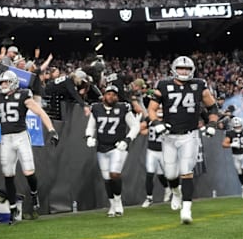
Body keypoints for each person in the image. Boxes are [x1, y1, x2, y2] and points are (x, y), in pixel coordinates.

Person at [0, 70, 58, 223]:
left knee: (28, 172)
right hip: (6, 139)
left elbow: (40, 112)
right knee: (8, 175)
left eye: (6, 82)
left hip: (21, 136)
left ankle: (34, 193)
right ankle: (11, 209)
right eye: (2, 82)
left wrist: (52, 130)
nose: (3, 85)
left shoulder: (23, 95)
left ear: (14, 83)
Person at [147, 55, 220, 224]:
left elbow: (213, 106)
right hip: (169, 135)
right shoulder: (163, 85)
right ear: (174, 69)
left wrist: (212, 124)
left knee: (186, 171)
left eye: (187, 69)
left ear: (192, 70)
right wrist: (157, 122)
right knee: (170, 174)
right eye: (181, 68)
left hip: (190, 134)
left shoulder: (199, 85)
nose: (184, 71)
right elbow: (152, 109)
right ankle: (176, 192)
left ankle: (186, 210)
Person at [85, 85, 140, 217]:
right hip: (102, 147)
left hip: (118, 146)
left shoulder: (123, 108)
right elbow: (91, 126)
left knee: (114, 174)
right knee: (106, 178)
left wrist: (127, 140)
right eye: (109, 94)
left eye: (114, 94)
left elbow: (135, 126)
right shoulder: (96, 108)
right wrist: (88, 137)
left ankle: (118, 201)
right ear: (104, 95)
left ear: (117, 96)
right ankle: (112, 205)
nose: (111, 96)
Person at [139, 108, 171, 208]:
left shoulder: (168, 120)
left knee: (165, 174)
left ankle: (170, 189)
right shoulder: (151, 120)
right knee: (149, 174)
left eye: (162, 108)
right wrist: (148, 128)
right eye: (158, 109)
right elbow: (142, 131)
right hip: (151, 150)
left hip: (163, 151)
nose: (160, 111)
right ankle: (149, 198)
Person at [221, 117, 243, 199]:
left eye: (239, 125)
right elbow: (224, 144)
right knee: (239, 172)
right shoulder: (230, 133)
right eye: (236, 126)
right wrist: (231, 144)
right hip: (235, 155)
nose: (238, 127)